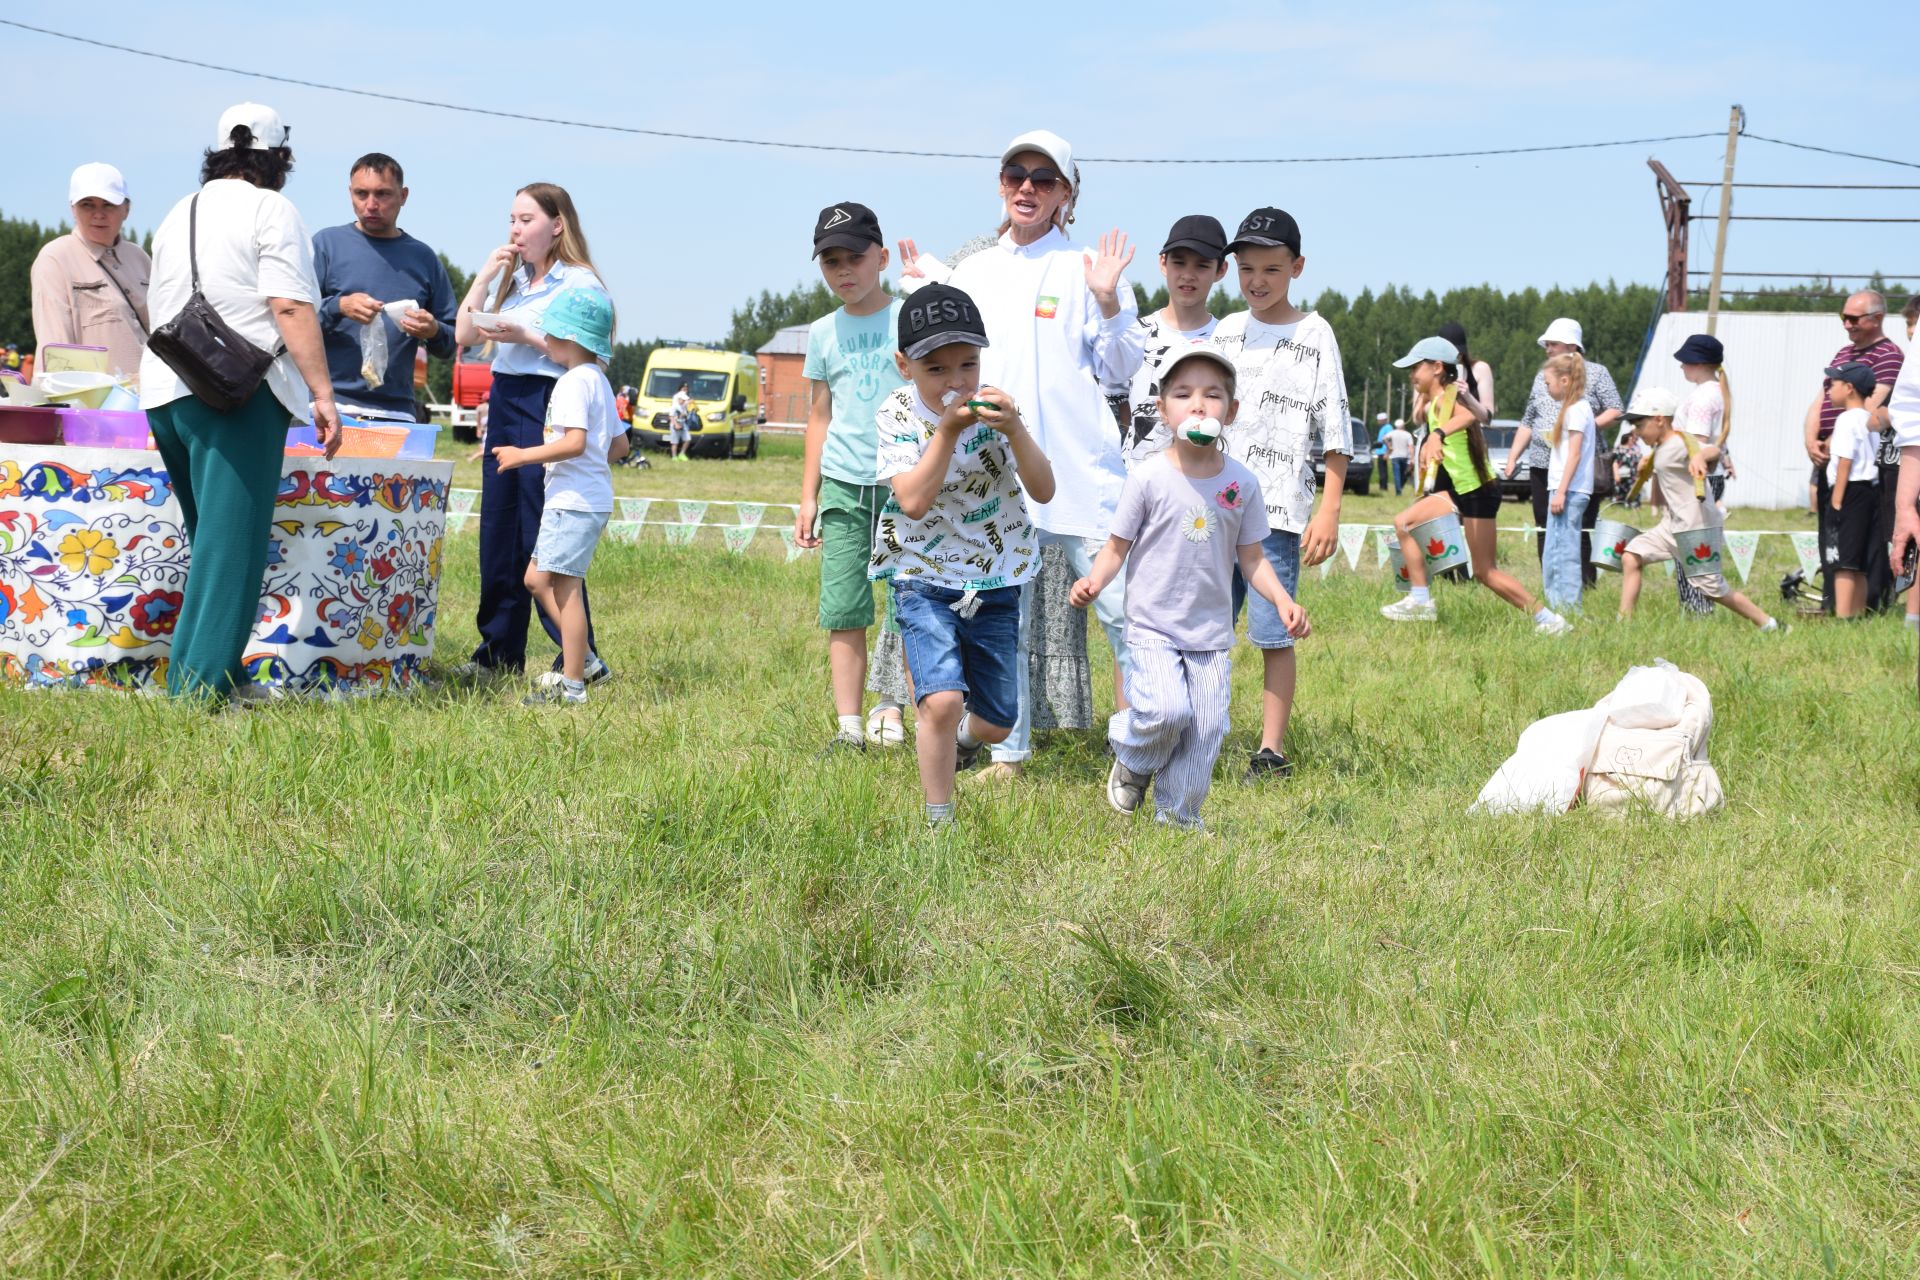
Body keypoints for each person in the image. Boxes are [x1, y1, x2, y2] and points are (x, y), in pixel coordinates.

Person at [896, 128, 1143, 784]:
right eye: (1015, 176)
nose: (1027, 188)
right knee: (1005, 623)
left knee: (1121, 614)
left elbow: (1124, 372)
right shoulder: (974, 272)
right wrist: (921, 295)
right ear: (1001, 185)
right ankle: (1009, 752)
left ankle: (1137, 752)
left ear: (1067, 194)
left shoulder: (1087, 269)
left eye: (1044, 179)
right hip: (996, 481)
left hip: (1081, 477)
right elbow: (941, 368)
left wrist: (1112, 300)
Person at [137, 103, 343, 701]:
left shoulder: (181, 211)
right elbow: (290, 305)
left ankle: (205, 673)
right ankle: (199, 691)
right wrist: (322, 394)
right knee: (234, 547)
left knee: (210, 542)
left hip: (168, 383)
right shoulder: (273, 208)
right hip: (236, 391)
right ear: (279, 158)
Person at [1071, 346, 1308, 830]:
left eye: (1212, 395)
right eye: (1183, 394)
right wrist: (1094, 580)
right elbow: (1117, 546)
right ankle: (1133, 754)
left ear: (1232, 411)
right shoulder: (1147, 477)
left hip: (1210, 632)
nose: (1198, 405)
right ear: (1163, 409)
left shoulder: (1242, 484)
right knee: (1165, 709)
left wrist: (1283, 600)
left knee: (1206, 729)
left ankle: (1177, 817)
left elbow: (1253, 557)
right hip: (1153, 625)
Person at [870, 284, 1055, 828]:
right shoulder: (896, 413)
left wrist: (1015, 427)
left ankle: (966, 746)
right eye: (936, 369)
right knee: (943, 700)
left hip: (996, 575)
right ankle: (938, 821)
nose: (956, 382)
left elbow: (1043, 490)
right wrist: (948, 431)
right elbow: (914, 500)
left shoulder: (999, 410)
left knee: (998, 721)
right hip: (921, 573)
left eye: (968, 365)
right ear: (905, 365)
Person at [1210, 206, 1352, 779]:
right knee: (1204, 630)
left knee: (1273, 633)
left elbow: (1335, 430)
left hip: (1276, 517)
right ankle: (1199, 731)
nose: (1257, 281)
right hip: (1214, 508)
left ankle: (1270, 749)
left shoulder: (1314, 333)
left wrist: (1330, 509)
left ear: (1297, 266)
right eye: (1246, 269)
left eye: (1271, 268)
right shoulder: (1224, 332)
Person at [453, 183, 610, 680]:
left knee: (546, 531)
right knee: (499, 529)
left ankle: (577, 658)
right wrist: (484, 276)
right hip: (505, 398)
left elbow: (592, 355)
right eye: (512, 220)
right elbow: (462, 336)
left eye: (526, 220)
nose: (516, 229)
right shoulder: (514, 281)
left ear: (557, 224)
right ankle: (497, 653)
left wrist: (524, 335)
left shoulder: (580, 283)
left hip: (548, 399)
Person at [792, 201, 909, 751]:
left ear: (881, 257)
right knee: (845, 607)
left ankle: (895, 706)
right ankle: (849, 727)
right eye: (830, 261)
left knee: (912, 599)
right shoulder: (822, 332)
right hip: (842, 482)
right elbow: (820, 416)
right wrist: (808, 496)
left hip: (905, 483)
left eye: (854, 258)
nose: (844, 271)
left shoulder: (910, 316)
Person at [1380, 336, 1569, 634]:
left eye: (1416, 367)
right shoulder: (1434, 405)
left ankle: (1548, 619)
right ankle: (1420, 600)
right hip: (1457, 491)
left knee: (1485, 572)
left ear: (1437, 368)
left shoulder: (1451, 394)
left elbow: (1472, 416)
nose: (1412, 375)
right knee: (1404, 523)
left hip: (1478, 491)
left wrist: (1438, 434)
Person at [489, 287, 620, 704]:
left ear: (572, 340)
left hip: (572, 502)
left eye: (552, 334)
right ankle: (588, 664)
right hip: (587, 499)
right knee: (535, 579)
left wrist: (523, 455)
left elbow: (574, 443)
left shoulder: (570, 383)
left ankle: (574, 685)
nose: (545, 341)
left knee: (566, 592)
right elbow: (619, 447)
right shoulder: (598, 380)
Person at [1616, 387, 1781, 631]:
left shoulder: (1683, 441)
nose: (1636, 432)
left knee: (1713, 589)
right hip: (1671, 526)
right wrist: (1647, 464)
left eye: (1639, 425)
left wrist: (1700, 457)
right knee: (1631, 556)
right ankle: (1623, 625)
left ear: (1659, 419)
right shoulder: (1660, 448)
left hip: (1696, 528)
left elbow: (1714, 450)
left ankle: (1769, 624)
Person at [312, 153, 458, 422]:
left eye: (382, 194)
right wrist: (339, 306)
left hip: (397, 412)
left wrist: (433, 330)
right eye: (361, 194)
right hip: (330, 407)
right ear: (349, 193)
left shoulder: (424, 259)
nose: (371, 205)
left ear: (403, 196)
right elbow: (294, 318)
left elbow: (451, 342)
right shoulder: (326, 245)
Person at [1803, 290, 1904, 613]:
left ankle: (1862, 606)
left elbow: (1873, 403)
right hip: (1828, 454)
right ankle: (1835, 600)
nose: (1846, 324)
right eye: (1843, 317)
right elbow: (1820, 399)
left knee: (1856, 542)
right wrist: (1810, 439)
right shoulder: (1842, 354)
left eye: (1853, 318)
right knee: (1832, 539)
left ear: (1877, 318)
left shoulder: (1890, 354)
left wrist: (1834, 440)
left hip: (1852, 464)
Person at [1506, 318, 1622, 579]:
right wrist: (1514, 455)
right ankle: (1551, 578)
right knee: (1544, 525)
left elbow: (1615, 409)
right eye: (1546, 344)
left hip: (1578, 463)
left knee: (1579, 526)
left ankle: (1584, 583)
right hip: (1541, 463)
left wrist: (1583, 429)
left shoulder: (1597, 372)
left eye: (1553, 344)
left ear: (1571, 345)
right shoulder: (1541, 376)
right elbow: (1528, 419)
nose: (1547, 349)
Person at [1118, 214, 1228, 469]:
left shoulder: (1228, 340)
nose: (1188, 275)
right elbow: (1115, 405)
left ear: (1221, 270)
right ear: (1163, 263)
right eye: (1179, 263)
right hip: (1134, 487)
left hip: (1204, 491)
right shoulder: (1134, 334)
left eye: (1201, 266)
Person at [30, 162, 151, 382]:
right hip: (93, 404)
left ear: (126, 209)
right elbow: (55, 346)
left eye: (108, 205)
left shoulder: (140, 258)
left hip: (152, 400)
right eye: (87, 205)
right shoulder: (56, 257)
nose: (98, 214)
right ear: (72, 209)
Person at [1823, 362, 1881, 619]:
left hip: (1849, 492)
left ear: (1848, 388)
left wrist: (1836, 502)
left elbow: (1845, 460)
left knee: (1843, 560)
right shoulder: (1871, 419)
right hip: (1870, 491)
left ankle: (1843, 617)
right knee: (1859, 563)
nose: (1828, 389)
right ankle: (1858, 616)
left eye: (1833, 384)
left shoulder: (1846, 419)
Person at [1539, 351, 1595, 613]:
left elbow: (1574, 454)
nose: (1546, 387)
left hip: (1569, 491)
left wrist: (1561, 492)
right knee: (1553, 552)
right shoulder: (1574, 409)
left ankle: (1568, 610)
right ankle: (1555, 606)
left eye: (1547, 382)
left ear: (1564, 380)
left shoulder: (1577, 410)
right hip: (1565, 489)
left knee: (1563, 554)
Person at [1437, 321, 1496, 419]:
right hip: (1438, 432)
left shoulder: (1480, 369)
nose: (1454, 357)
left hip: (1471, 433)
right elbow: (1418, 417)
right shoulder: (1430, 370)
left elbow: (1487, 418)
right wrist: (1442, 396)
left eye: (1458, 353)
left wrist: (1468, 397)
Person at [1387, 418, 1414, 494]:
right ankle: (1400, 487)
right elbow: (1411, 447)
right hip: (1404, 456)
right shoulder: (1407, 434)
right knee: (1404, 474)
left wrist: (1389, 446)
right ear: (1403, 426)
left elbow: (1385, 438)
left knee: (1397, 474)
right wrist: (1412, 458)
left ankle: (1398, 490)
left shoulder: (1392, 433)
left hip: (1394, 456)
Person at [668, 382, 694, 461]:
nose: (684, 401)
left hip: (683, 424)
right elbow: (671, 416)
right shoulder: (675, 406)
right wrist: (676, 425)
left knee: (687, 439)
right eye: (683, 400)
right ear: (679, 398)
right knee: (675, 442)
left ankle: (682, 454)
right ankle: (674, 457)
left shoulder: (683, 406)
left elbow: (685, 414)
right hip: (675, 425)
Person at [1373, 412, 1393, 489]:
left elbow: (1389, 440)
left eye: (1379, 420)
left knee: (1383, 470)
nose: (1378, 422)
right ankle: (1382, 485)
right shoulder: (1383, 428)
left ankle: (1383, 486)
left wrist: (1387, 452)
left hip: (1383, 451)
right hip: (1380, 451)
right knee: (1381, 470)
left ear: (1383, 420)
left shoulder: (1388, 427)